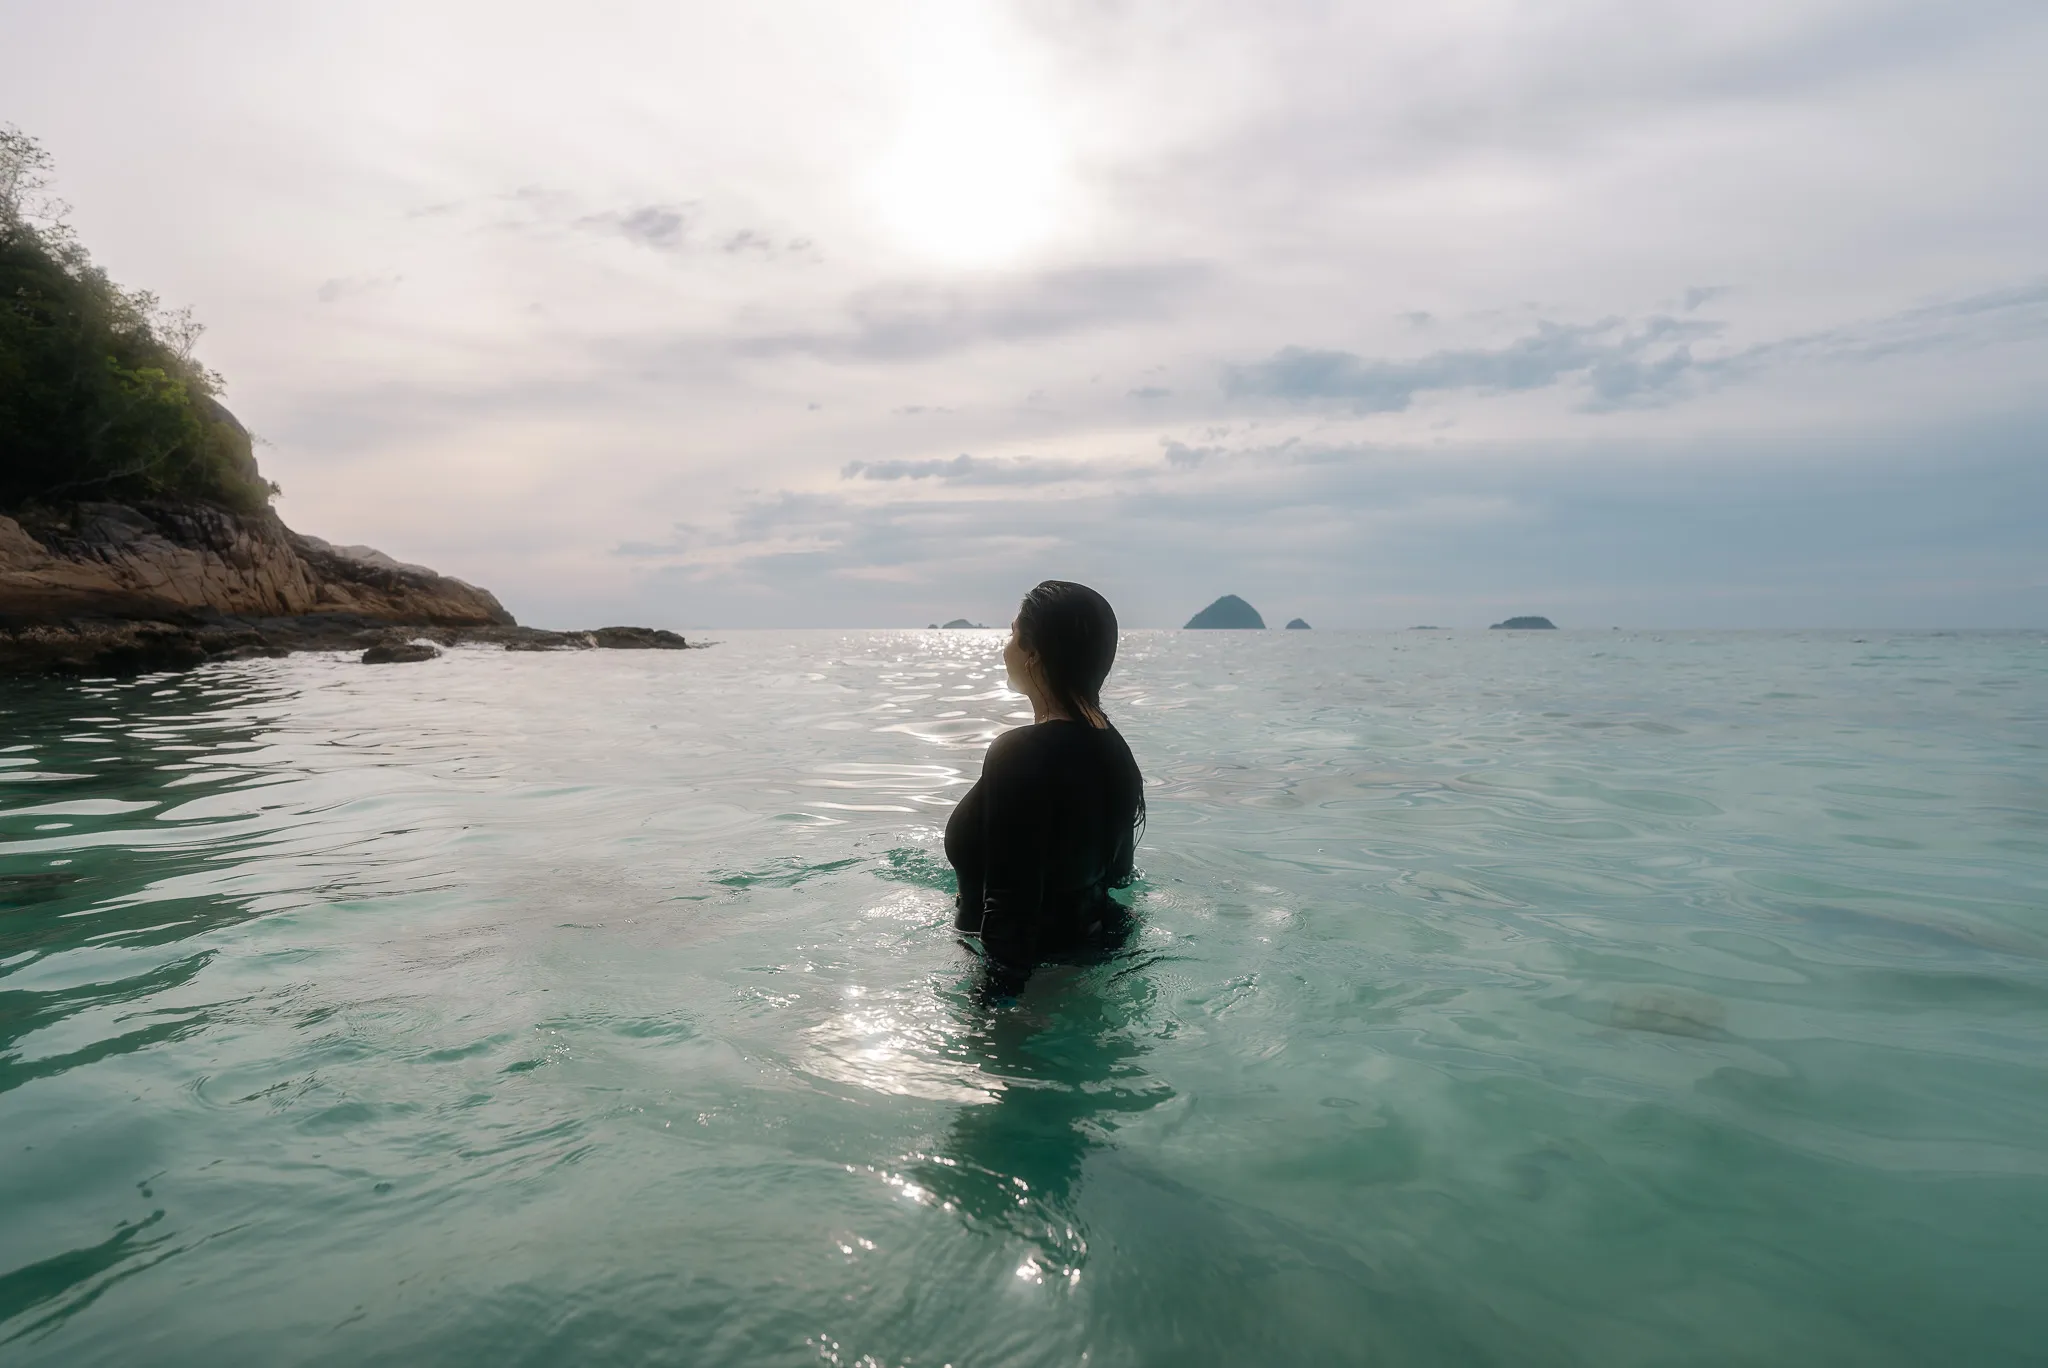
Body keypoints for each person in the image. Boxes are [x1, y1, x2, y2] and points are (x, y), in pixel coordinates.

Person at [945, 580, 1146, 997]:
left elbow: (1009, 904)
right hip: (1097, 959)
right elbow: (1119, 877)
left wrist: (992, 1010)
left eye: (1013, 634)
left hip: (1022, 982)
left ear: (1034, 655)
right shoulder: (1115, 749)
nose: (1006, 647)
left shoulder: (1018, 753)